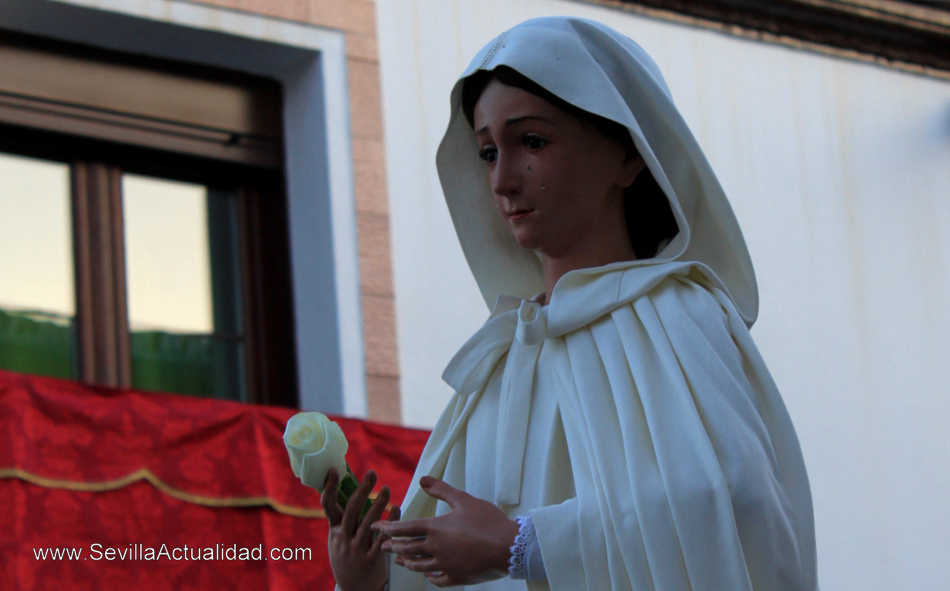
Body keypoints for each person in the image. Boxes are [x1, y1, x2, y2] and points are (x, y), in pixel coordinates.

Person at [321, 16, 819, 591]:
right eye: (486, 152)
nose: (503, 180)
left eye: (531, 142)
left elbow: (731, 508)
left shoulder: (677, 317)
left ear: (628, 157)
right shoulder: (499, 362)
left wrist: (521, 545)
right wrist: (373, 579)